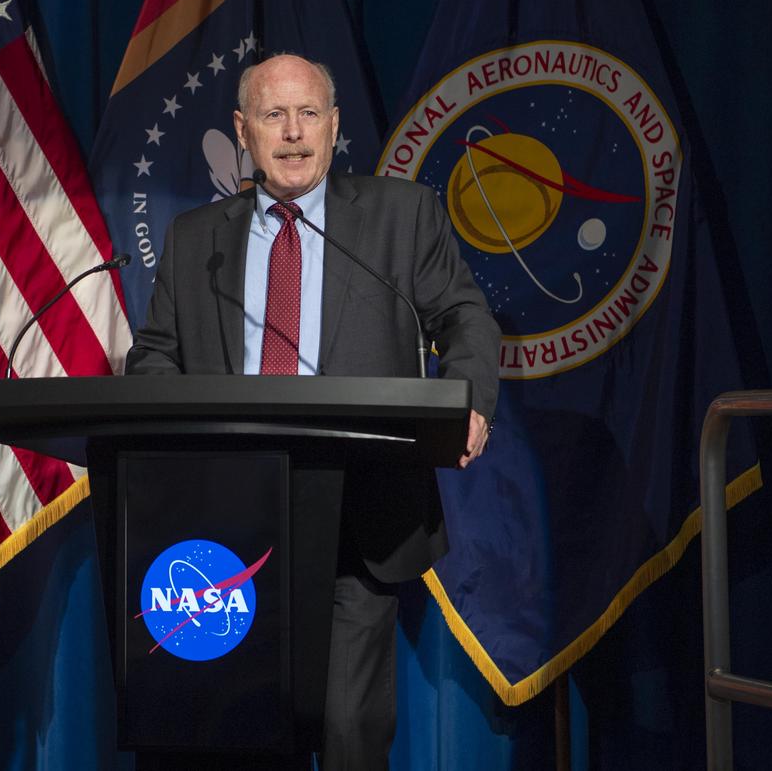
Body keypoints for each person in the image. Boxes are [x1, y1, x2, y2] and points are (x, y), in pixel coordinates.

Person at [126, 53, 500, 769]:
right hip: (225, 524)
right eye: (273, 115)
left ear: (334, 126)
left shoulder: (399, 216)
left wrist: (470, 401)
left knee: (347, 729)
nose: (293, 134)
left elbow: (464, 318)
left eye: (308, 115)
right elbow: (155, 357)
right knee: (231, 729)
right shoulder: (194, 239)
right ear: (243, 130)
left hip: (360, 508)